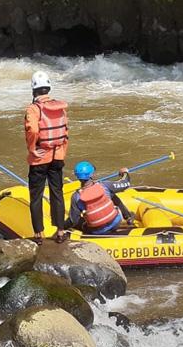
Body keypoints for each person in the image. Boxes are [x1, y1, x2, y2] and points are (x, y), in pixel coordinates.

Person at [24, 71, 68, 245]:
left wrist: (32, 149)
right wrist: (61, 152)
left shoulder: (33, 109)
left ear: (34, 90)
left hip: (40, 158)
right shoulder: (60, 107)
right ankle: (60, 231)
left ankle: (39, 234)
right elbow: (65, 132)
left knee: (36, 196)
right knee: (57, 193)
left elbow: (33, 130)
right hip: (58, 155)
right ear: (48, 88)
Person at [66, 162, 134, 234]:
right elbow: (126, 183)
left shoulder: (76, 196)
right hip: (116, 223)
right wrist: (124, 173)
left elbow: (73, 220)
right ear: (91, 174)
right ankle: (128, 217)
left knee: (77, 220)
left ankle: (127, 217)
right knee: (112, 194)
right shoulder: (104, 185)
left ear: (77, 176)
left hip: (97, 231)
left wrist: (62, 226)